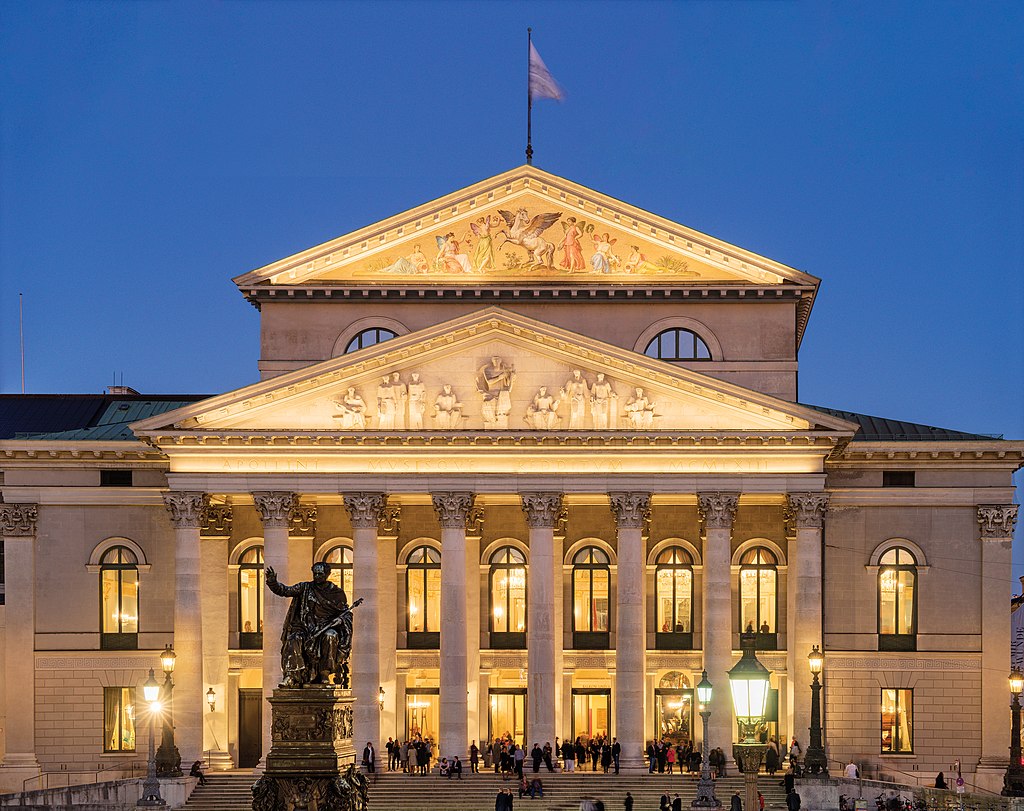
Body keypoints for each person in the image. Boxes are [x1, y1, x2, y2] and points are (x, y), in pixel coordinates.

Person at [265, 562, 362, 688]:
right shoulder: (305, 587)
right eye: (315, 574)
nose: (317, 576)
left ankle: (324, 672)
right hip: (305, 628)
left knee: (330, 636)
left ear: (327, 574)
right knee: (293, 639)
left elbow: (346, 615)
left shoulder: (337, 593)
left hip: (325, 628)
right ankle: (290, 675)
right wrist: (273, 582)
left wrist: (340, 621)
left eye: (320, 574)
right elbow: (285, 591)